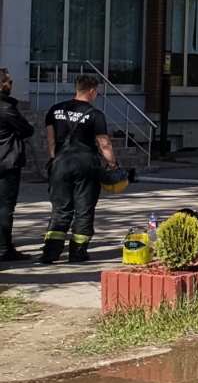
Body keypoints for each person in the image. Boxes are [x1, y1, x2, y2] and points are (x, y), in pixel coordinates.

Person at [39, 75, 117, 264]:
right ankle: (78, 252)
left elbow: (50, 139)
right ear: (91, 91)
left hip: (61, 163)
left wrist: (52, 159)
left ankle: (50, 253)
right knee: (84, 209)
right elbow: (103, 143)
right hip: (86, 164)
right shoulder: (95, 114)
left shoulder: (55, 110)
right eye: (96, 92)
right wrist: (112, 164)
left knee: (60, 209)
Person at [0, 69, 34, 261]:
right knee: (5, 206)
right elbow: (26, 129)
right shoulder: (6, 107)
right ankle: (5, 249)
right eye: (9, 81)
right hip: (6, 162)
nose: (11, 85)